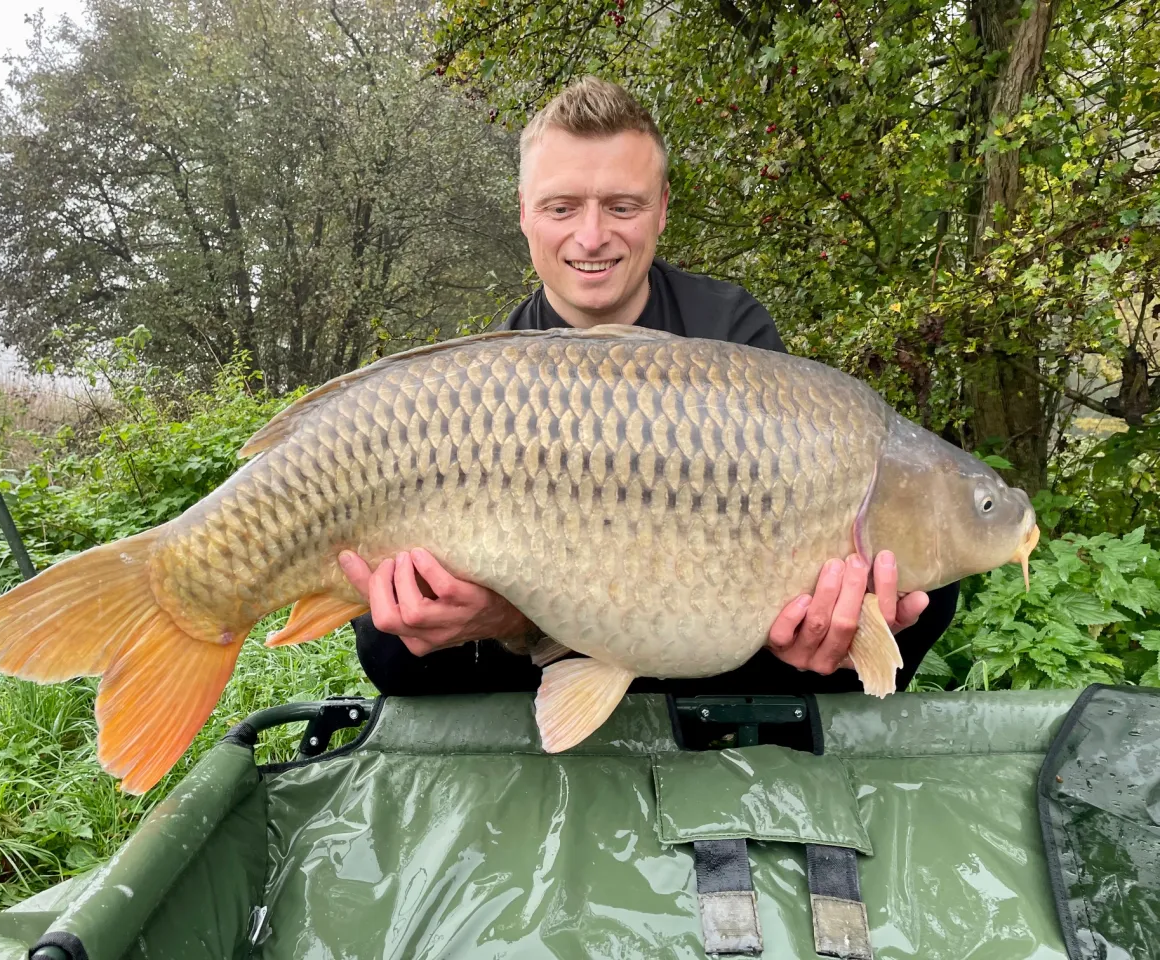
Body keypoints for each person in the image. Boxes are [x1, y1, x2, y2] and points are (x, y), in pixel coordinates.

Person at [338, 76, 960, 698]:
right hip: (542, 666)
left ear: (662, 207)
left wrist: (812, 622)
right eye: (562, 208)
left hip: (709, 656)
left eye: (622, 206)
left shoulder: (732, 335)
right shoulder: (485, 384)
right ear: (524, 212)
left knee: (923, 579)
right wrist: (505, 621)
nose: (591, 237)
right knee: (386, 641)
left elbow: (776, 554)